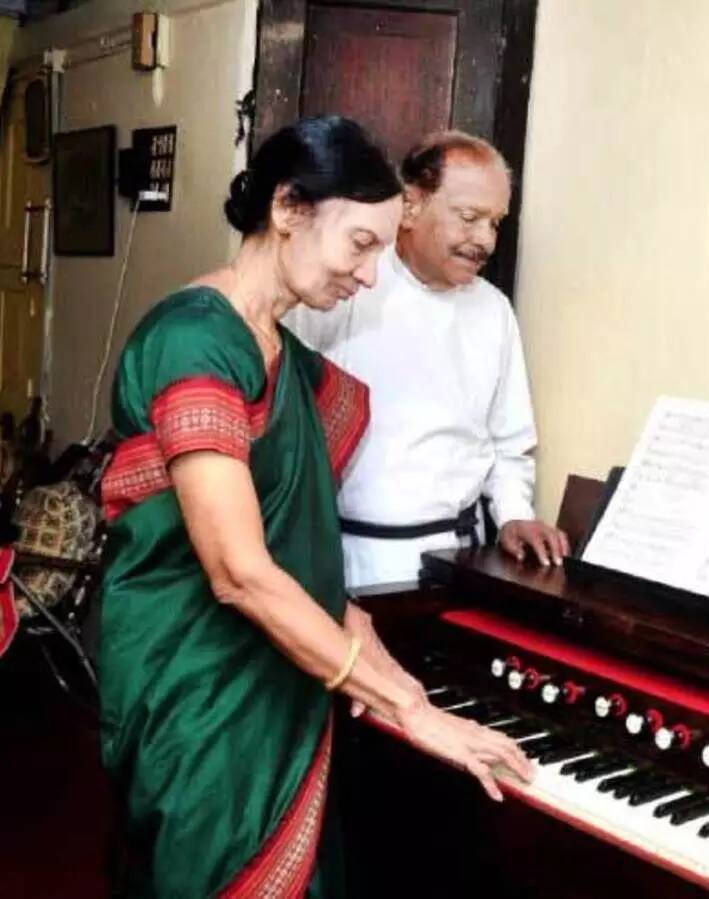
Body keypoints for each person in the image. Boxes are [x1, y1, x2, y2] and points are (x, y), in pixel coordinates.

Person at [97, 116, 534, 899]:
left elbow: (311, 568)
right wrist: (407, 707)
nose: (369, 275)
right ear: (288, 209)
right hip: (198, 686)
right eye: (361, 245)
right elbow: (239, 572)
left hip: (280, 674)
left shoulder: (282, 351)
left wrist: (415, 700)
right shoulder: (196, 342)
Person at [284, 130, 568, 590]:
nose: (485, 240)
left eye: (495, 223)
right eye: (470, 218)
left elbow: (510, 444)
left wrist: (515, 514)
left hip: (460, 558)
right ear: (411, 206)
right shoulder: (343, 287)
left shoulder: (493, 310)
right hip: (349, 556)